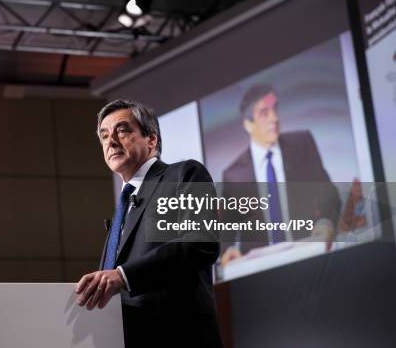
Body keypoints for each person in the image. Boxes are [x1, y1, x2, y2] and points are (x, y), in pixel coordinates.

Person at [75, 99, 223, 348]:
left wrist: (123, 276)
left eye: (121, 130)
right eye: (104, 135)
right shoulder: (123, 206)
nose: (110, 141)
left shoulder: (184, 174)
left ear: (151, 140)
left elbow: (201, 243)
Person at [220, 83, 341, 265]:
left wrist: (325, 222)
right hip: (261, 273)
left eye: (275, 109)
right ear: (248, 125)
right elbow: (225, 230)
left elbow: (328, 193)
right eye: (264, 113)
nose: (274, 118)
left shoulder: (303, 144)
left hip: (309, 257)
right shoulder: (233, 175)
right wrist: (227, 250)